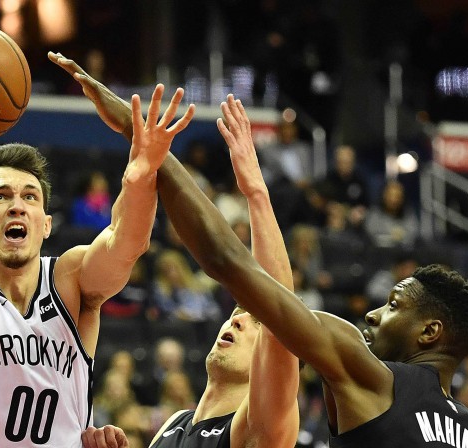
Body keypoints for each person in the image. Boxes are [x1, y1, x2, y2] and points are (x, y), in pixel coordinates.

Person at [48, 53, 468, 448]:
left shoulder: (367, 377)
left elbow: (233, 265)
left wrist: (147, 145)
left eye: (392, 305)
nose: (372, 315)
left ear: (429, 332)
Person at [0, 76, 194, 447]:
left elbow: (126, 245)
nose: (16, 205)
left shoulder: (70, 280)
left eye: (30, 197)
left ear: (45, 225)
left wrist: (141, 175)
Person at [50, 51, 301, 448]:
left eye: (253, 323)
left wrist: (255, 192)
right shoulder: (172, 427)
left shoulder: (257, 428)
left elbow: (280, 313)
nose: (236, 322)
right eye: (238, 314)